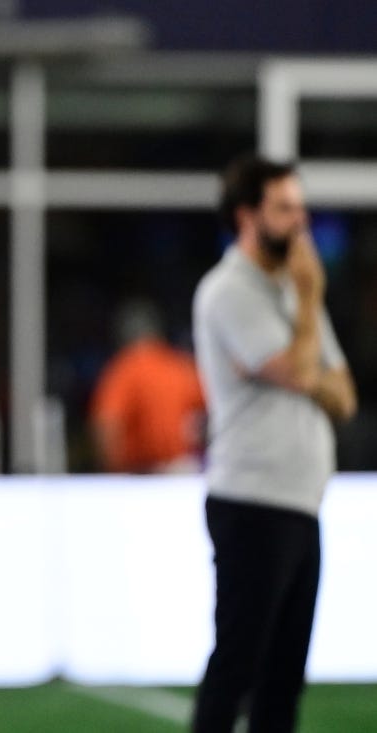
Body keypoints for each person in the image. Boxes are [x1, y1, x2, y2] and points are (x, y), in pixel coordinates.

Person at [191, 153, 356, 732]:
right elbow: (304, 374)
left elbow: (344, 393)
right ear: (247, 215)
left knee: (284, 679)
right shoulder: (227, 291)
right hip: (252, 504)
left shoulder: (291, 290)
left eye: (301, 208)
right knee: (238, 668)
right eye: (285, 209)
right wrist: (311, 303)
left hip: (299, 505)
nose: (300, 222)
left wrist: (307, 337)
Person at [89, 298, 205, 473]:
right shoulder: (181, 365)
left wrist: (114, 472)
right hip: (185, 472)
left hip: (143, 475)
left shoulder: (125, 368)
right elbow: (210, 418)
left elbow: (108, 426)